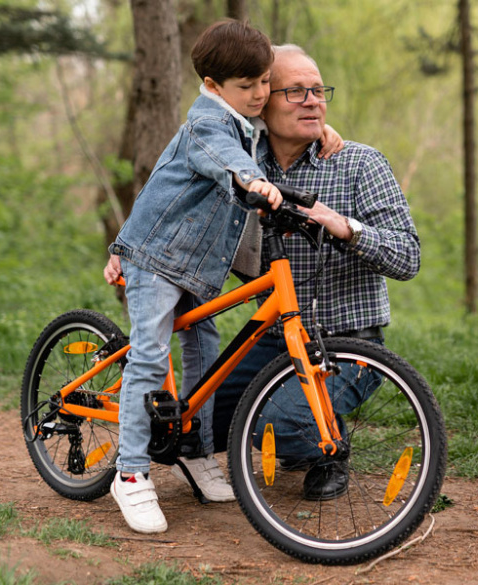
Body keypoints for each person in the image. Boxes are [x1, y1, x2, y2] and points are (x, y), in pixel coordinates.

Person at [210, 44, 421, 501]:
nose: (314, 101)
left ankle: (327, 445)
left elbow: (408, 257)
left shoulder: (359, 164)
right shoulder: (244, 160)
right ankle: (301, 427)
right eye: (296, 92)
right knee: (198, 422)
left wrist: (346, 228)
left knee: (272, 424)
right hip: (271, 341)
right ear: (263, 100)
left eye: (318, 90)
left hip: (346, 344)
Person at [103, 20, 285, 535]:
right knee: (150, 354)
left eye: (263, 82)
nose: (259, 94)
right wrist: (252, 179)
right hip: (158, 260)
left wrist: (327, 129)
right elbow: (221, 158)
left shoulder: (247, 120)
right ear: (212, 86)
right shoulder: (207, 123)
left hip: (196, 268)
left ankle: (196, 451)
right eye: (246, 87)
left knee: (206, 356)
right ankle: (131, 472)